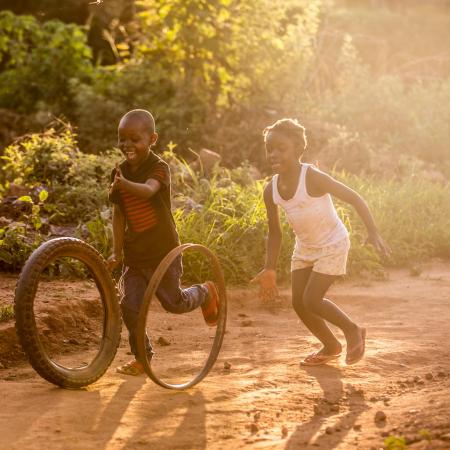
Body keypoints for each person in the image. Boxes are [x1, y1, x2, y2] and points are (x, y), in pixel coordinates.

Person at [252, 118, 389, 366]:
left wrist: (373, 231)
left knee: (312, 299)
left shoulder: (312, 177)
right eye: (269, 149)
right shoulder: (270, 189)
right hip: (305, 247)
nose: (273, 154)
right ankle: (331, 345)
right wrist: (269, 267)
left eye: (280, 149)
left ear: (297, 150)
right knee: (298, 303)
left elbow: (354, 198)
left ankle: (352, 330)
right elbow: (275, 232)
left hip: (333, 244)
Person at [107, 109, 219, 376]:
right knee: (129, 307)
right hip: (135, 256)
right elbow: (119, 215)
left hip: (164, 251)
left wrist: (123, 185)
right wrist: (116, 251)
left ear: (152, 139)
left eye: (135, 139)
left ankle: (205, 292)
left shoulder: (159, 167)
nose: (127, 145)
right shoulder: (119, 172)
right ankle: (141, 358)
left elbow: (147, 191)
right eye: (122, 139)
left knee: (173, 303)